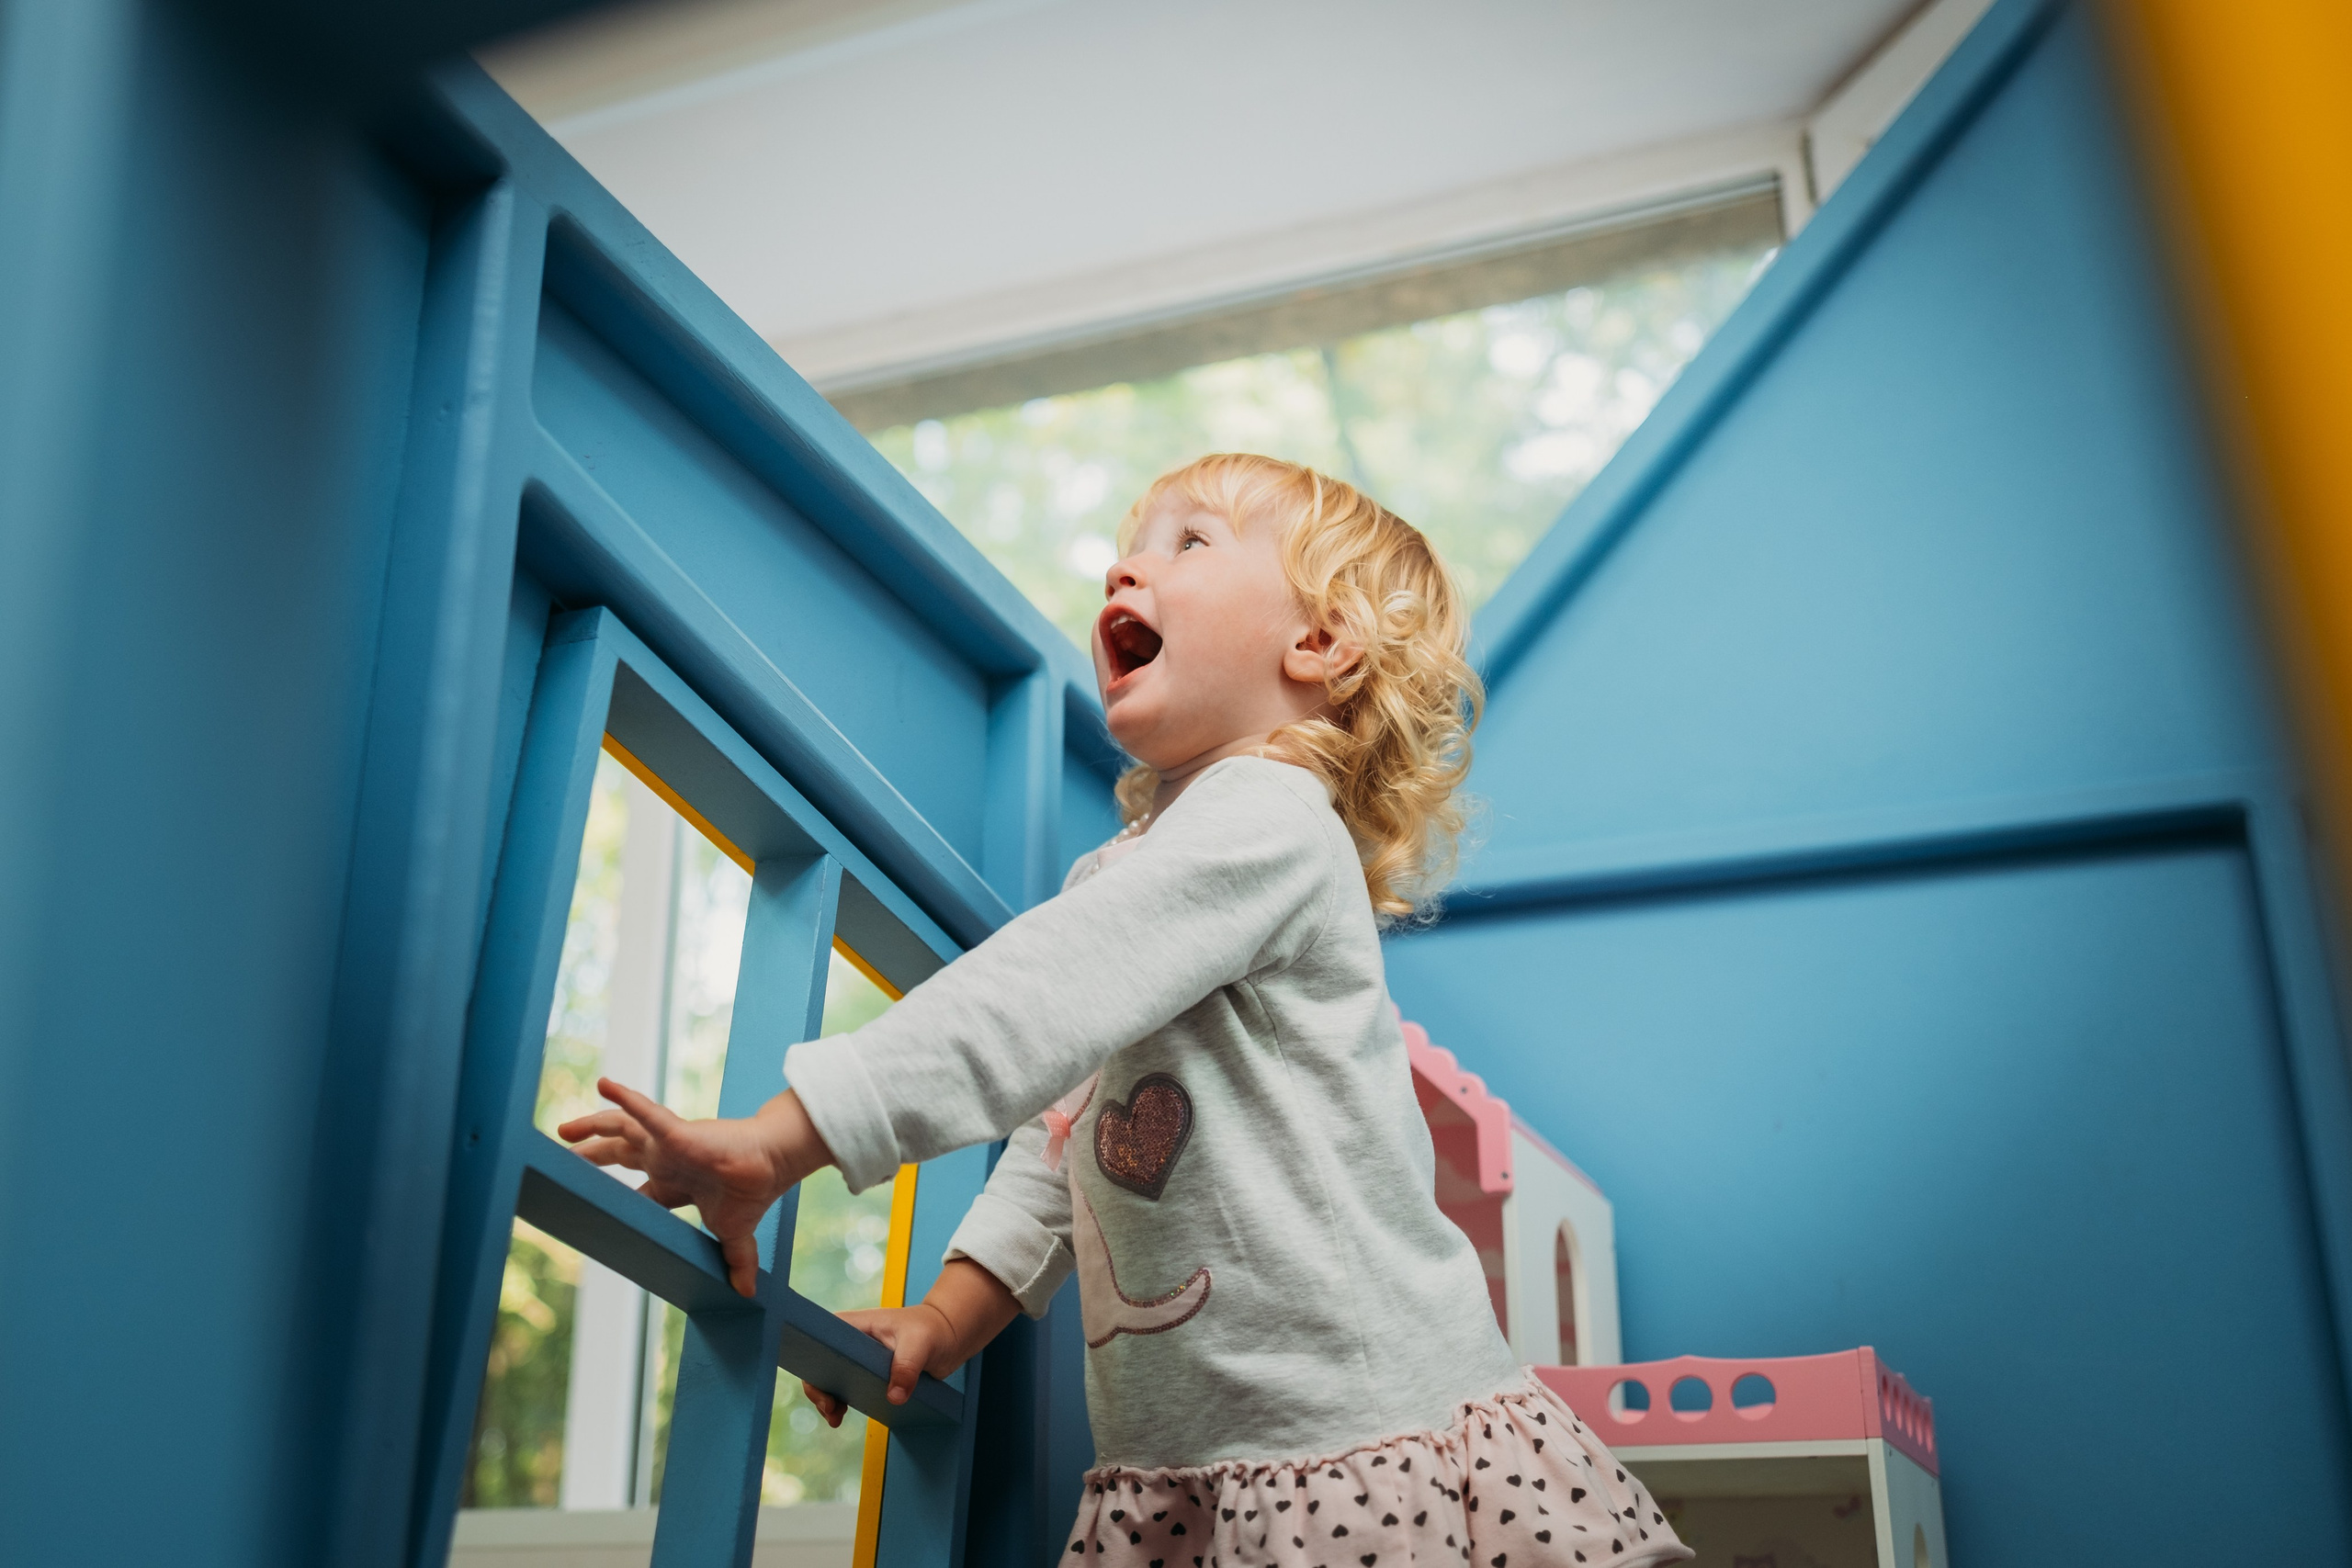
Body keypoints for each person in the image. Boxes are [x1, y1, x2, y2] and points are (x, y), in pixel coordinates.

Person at [559, 454, 1691, 1568]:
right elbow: (1065, 1137)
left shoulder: (1272, 818)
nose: (1123, 573)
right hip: (1194, 1466)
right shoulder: (1135, 873)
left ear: (1319, 644)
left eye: (1186, 544)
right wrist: (947, 1321)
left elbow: (1029, 1000)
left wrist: (777, 1138)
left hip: (1356, 1437)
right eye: (1127, 550)